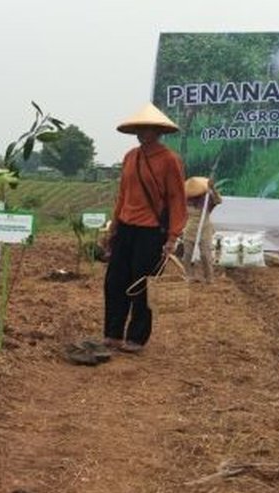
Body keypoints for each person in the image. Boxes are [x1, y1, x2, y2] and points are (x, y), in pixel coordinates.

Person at [102, 103, 186, 353]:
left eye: (147, 128)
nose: (142, 132)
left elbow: (176, 199)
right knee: (115, 282)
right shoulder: (130, 157)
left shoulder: (170, 160)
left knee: (143, 285)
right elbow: (122, 195)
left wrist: (172, 237)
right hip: (126, 228)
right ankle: (112, 334)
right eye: (139, 128)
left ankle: (136, 338)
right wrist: (113, 228)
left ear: (157, 131)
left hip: (151, 232)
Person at [181, 176, 220, 284]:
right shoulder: (185, 200)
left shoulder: (207, 198)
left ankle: (209, 278)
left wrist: (213, 190)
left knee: (205, 255)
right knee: (187, 255)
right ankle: (188, 276)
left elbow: (218, 201)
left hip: (205, 229)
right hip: (190, 230)